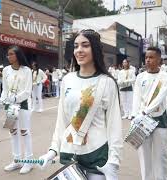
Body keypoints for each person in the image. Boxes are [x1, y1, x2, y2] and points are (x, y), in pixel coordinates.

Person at [39, 29, 122, 180]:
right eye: (76, 46)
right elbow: (62, 121)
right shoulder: (67, 80)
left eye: (85, 45)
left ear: (95, 49)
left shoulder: (107, 82)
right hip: (69, 153)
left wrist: (114, 161)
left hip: (97, 155)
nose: (79, 50)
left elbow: (114, 126)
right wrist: (53, 150)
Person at [131, 47, 167, 180]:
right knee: (144, 156)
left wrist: (144, 112)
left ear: (159, 59)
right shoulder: (140, 77)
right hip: (141, 121)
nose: (148, 60)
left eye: (151, 57)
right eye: (146, 57)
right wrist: (134, 115)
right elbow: (136, 98)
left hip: (159, 119)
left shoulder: (166, 77)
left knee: (161, 156)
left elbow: (159, 98)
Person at [0, 46, 34, 174]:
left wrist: (15, 98)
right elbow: (4, 88)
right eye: (7, 54)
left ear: (18, 55)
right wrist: (3, 100)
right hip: (10, 106)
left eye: (11, 54)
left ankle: (29, 161)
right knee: (13, 131)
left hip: (23, 104)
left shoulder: (27, 71)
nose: (8, 57)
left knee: (24, 131)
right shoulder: (6, 70)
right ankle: (17, 160)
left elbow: (27, 91)